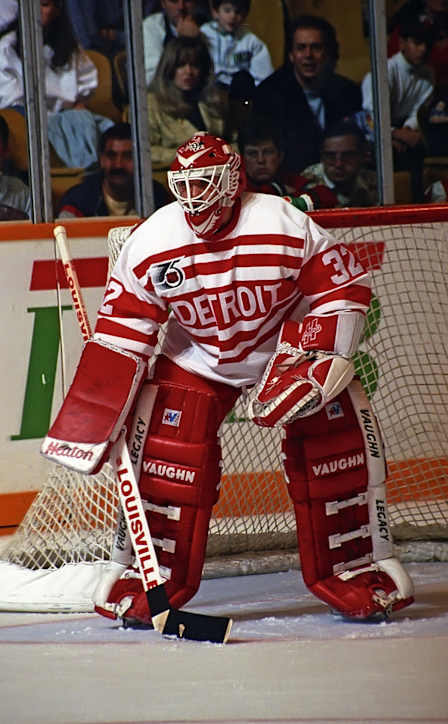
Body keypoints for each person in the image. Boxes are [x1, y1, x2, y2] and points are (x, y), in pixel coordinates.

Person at [42, 131, 415, 627]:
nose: (195, 199)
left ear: (233, 179)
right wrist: (99, 415)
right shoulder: (152, 240)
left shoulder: (283, 223)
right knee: (165, 458)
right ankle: (151, 578)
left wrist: (320, 359)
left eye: (205, 183)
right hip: (197, 357)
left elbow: (344, 288)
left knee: (334, 441)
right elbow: (120, 334)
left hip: (282, 349)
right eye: (185, 185)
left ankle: (359, 567)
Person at [0, 0, 114, 170]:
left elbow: (85, 82)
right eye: (39, 5)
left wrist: (79, 104)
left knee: (105, 129)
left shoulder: (68, 45)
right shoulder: (8, 46)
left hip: (68, 113)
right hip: (29, 116)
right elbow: (4, 96)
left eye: (48, 5)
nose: (42, 11)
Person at [253, 14, 362, 174]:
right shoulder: (269, 94)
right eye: (301, 48)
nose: (308, 55)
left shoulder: (347, 91)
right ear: (291, 55)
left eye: (316, 47)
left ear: (328, 53)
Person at [361, 19, 434, 202]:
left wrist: (407, 131)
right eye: (417, 43)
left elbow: (419, 112)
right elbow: (370, 116)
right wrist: (395, 134)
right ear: (402, 43)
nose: (423, 49)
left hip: (403, 137)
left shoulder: (427, 74)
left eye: (426, 44)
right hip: (371, 134)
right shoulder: (384, 72)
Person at [147, 34, 228, 170]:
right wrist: (189, 155)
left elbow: (235, 141)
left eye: (195, 65)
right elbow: (146, 152)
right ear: (169, 68)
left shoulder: (214, 100)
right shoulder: (151, 104)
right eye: (181, 65)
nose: (189, 71)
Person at [57, 122, 169, 217]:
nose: (118, 164)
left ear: (141, 159)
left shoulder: (157, 196)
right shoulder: (78, 200)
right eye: (111, 155)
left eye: (128, 156)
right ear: (101, 159)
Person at [238, 115, 338, 209]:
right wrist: (279, 190)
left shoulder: (292, 181)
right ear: (242, 158)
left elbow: (328, 198)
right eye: (252, 153)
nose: (261, 160)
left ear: (280, 156)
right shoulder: (236, 188)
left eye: (268, 152)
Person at [298, 120, 378, 208]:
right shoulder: (304, 186)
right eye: (330, 156)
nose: (338, 164)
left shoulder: (376, 183)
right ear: (321, 157)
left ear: (363, 155)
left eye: (347, 156)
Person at [200, 0, 273, 91]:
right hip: (208, 90)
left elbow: (263, 77)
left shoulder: (251, 42)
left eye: (238, 12)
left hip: (239, 92)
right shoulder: (204, 34)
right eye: (227, 11)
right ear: (215, 12)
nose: (233, 16)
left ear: (245, 14)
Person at [143, 0, 201, 86]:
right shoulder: (151, 27)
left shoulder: (208, 25)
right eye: (174, 1)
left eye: (187, 1)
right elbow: (150, 79)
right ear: (163, 3)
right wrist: (184, 41)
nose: (181, 7)